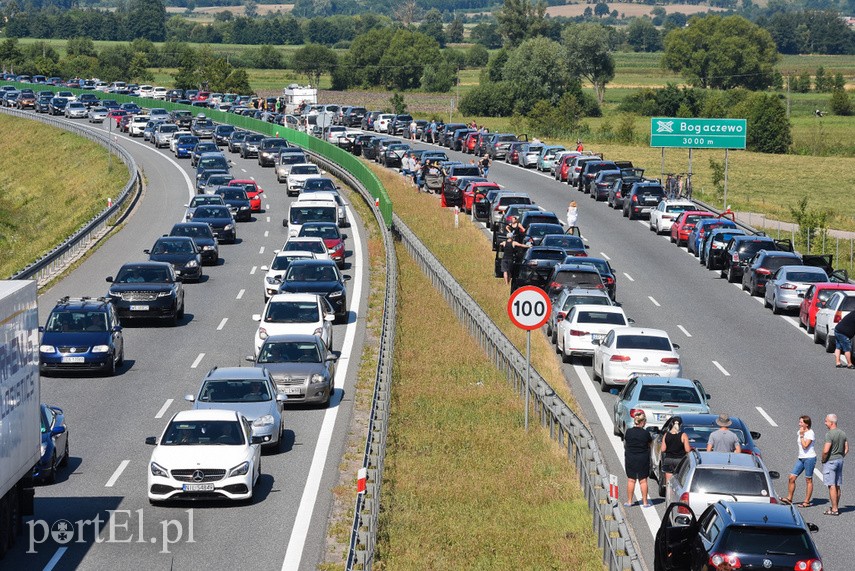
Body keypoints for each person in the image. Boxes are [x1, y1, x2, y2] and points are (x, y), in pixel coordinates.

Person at [783, 415, 817, 507]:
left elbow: (805, 446)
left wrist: (802, 436)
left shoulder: (810, 433)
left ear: (806, 424)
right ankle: (789, 498)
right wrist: (801, 434)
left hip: (809, 458)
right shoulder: (800, 431)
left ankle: (806, 501)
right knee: (791, 477)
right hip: (801, 458)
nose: (799, 424)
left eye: (801, 422)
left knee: (808, 479)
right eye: (799, 422)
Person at [624, 411, 653, 508]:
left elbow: (626, 443)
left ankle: (629, 501)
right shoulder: (646, 433)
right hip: (643, 458)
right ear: (642, 422)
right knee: (643, 480)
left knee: (631, 480)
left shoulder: (628, 432)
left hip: (630, 457)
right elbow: (649, 444)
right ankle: (645, 502)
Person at [822, 413, 848, 515]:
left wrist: (823, 459)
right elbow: (847, 448)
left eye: (826, 421)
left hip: (830, 461)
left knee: (831, 485)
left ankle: (834, 509)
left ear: (831, 423)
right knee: (837, 485)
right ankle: (835, 506)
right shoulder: (842, 433)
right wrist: (841, 456)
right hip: (840, 460)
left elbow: (825, 450)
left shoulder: (829, 434)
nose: (825, 422)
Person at [661, 417, 690, 483]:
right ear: (681, 425)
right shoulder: (683, 435)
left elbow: (663, 449)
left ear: (671, 424)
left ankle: (668, 492)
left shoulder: (666, 435)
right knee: (678, 480)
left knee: (668, 482)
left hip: (668, 459)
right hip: (679, 460)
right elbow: (687, 450)